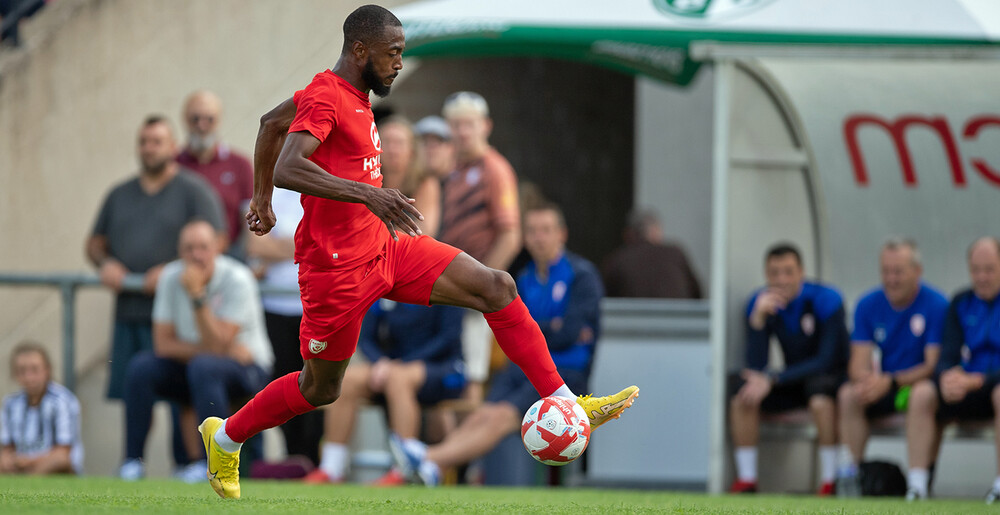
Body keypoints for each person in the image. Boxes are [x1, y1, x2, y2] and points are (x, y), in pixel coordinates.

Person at [197, 5, 638, 499]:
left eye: (401, 54)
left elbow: (268, 123)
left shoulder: (347, 95)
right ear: (359, 51)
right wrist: (360, 194)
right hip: (335, 273)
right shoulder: (326, 96)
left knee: (496, 286)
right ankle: (226, 436)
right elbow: (289, 166)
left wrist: (259, 199)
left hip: (385, 250)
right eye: (393, 54)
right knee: (319, 389)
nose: (399, 64)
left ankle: (566, 402)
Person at [386, 202, 603, 486]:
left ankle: (428, 459)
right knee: (482, 414)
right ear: (525, 237)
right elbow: (532, 330)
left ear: (562, 234)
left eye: (546, 230)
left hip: (566, 375)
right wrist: (548, 328)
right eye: (533, 231)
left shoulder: (581, 275)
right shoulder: (524, 278)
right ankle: (431, 465)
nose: (539, 238)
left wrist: (537, 330)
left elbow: (570, 334)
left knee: (501, 416)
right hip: (521, 369)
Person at [85, 115, 225, 472]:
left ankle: (188, 465)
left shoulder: (194, 191)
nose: (149, 148)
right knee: (136, 390)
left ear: (173, 147)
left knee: (183, 395)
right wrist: (106, 264)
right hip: (129, 311)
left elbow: (216, 241)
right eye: (144, 141)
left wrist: (172, 270)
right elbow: (95, 244)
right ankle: (133, 463)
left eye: (157, 141)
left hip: (179, 316)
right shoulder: (119, 194)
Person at [119, 220, 272, 481]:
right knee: (141, 367)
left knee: (205, 367)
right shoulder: (170, 276)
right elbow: (163, 344)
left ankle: (210, 463)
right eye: (189, 248)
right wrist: (218, 349)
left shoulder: (238, 278)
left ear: (217, 248)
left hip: (250, 368)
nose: (196, 255)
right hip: (201, 363)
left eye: (203, 247)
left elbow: (214, 347)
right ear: (179, 251)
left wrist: (197, 295)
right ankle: (133, 462)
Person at [728, 242, 848, 495]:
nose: (781, 279)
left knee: (819, 395)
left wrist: (773, 378)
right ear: (766, 275)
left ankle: (830, 480)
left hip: (830, 380)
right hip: (791, 381)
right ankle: (747, 480)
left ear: (801, 273)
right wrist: (758, 322)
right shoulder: (760, 302)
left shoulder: (826, 299)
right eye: (774, 272)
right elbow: (756, 367)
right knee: (743, 389)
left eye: (788, 272)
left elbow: (826, 360)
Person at [302, 300, 465, 484]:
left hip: (444, 367)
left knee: (398, 379)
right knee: (347, 380)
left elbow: (448, 338)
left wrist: (400, 364)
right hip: (393, 368)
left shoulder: (445, 285)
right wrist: (380, 362)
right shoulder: (385, 286)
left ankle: (404, 471)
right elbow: (365, 337)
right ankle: (331, 468)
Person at [834, 238, 947, 496]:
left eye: (898, 272)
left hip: (912, 388)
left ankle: (917, 485)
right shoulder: (867, 304)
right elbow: (857, 361)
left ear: (917, 271)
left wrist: (891, 381)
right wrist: (866, 381)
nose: (891, 279)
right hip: (883, 388)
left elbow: (933, 365)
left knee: (922, 395)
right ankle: (853, 478)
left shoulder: (937, 305)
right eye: (886, 271)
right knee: (848, 394)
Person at [437, 91, 523, 403]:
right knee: (447, 376)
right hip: (450, 287)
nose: (462, 131)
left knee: (473, 376)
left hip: (472, 292)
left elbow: (510, 236)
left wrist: (481, 283)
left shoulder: (494, 169)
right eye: (456, 124)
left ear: (485, 126)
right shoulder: (450, 169)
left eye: (468, 124)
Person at [905, 237, 1000, 502]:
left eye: (989, 269)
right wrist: (948, 377)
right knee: (923, 392)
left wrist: (979, 380)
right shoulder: (960, 301)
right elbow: (946, 356)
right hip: (966, 389)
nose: (981, 277)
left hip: (992, 387)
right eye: (975, 270)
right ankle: (917, 486)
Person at [247, 185, 323, 468]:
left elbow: (326, 240)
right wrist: (303, 243)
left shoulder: (321, 190)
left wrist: (277, 246)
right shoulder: (266, 192)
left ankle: (314, 462)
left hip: (313, 308)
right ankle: (294, 461)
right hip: (273, 309)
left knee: (316, 387)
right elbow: (253, 244)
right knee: (281, 386)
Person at [177, 90, 254, 260]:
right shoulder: (173, 164)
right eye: (195, 119)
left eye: (209, 119)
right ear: (185, 120)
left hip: (229, 258)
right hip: (181, 261)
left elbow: (250, 221)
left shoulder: (240, 165)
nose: (202, 125)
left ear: (218, 120)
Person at [0, 342, 83, 475]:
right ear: (15, 374)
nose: (29, 377)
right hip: (20, 466)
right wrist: (8, 460)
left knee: (58, 461)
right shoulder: (10, 404)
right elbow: (7, 447)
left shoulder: (62, 401)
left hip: (53, 467)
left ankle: (27, 486)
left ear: (47, 370)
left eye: (34, 369)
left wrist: (29, 461)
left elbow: (64, 451)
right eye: (22, 371)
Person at [602, 208, 702, 299]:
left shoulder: (618, 259)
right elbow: (697, 293)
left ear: (628, 233)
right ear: (655, 231)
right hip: (678, 317)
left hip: (634, 318)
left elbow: (605, 297)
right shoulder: (675, 254)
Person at [378, 115, 440, 237]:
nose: (392, 150)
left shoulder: (424, 183)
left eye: (399, 143)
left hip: (408, 251)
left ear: (412, 150)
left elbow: (425, 231)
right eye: (386, 142)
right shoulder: (368, 181)